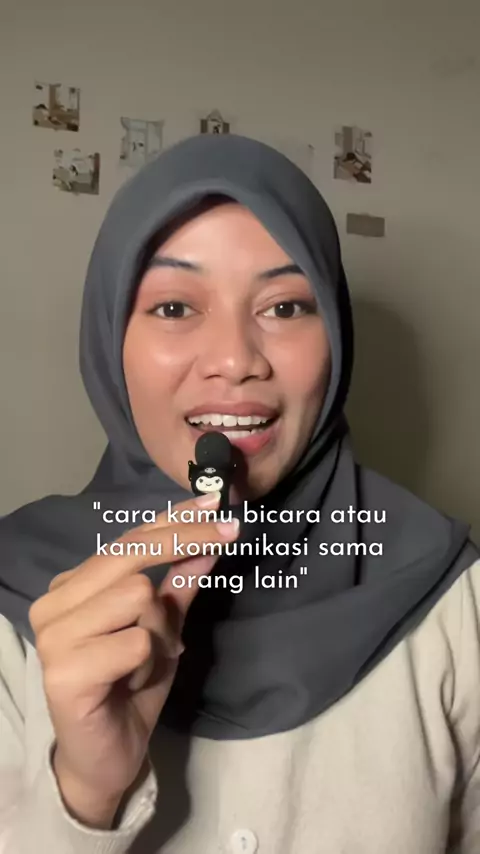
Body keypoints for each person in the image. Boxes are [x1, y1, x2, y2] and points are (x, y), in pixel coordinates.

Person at [0, 134, 479, 854]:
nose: (234, 360)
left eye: (285, 307)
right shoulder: (13, 597)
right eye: (173, 307)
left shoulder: (453, 599)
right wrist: (84, 791)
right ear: (108, 338)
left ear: (336, 335)